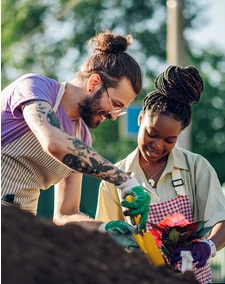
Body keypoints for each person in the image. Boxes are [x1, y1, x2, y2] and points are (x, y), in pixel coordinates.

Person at [1, 29, 151, 249]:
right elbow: (53, 142)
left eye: (120, 111)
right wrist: (124, 181)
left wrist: (104, 229)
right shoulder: (36, 88)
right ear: (94, 83)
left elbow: (65, 214)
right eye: (115, 104)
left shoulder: (82, 139)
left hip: (20, 232)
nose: (112, 115)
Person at [95, 65, 225, 283]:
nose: (158, 146)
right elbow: (105, 237)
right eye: (152, 134)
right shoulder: (115, 177)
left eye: (169, 140)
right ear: (140, 119)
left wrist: (208, 246)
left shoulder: (196, 167)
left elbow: (223, 222)